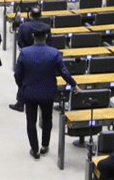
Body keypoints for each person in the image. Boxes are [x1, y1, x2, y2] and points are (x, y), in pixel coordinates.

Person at [14, 27, 81, 159]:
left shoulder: (24, 52)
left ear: (33, 36)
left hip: (29, 93)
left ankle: (35, 150)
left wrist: (22, 86)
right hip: (47, 93)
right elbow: (64, 72)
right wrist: (74, 84)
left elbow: (17, 75)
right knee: (47, 119)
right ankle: (45, 146)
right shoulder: (54, 53)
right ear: (46, 36)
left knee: (31, 121)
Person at [9, 6, 52, 113]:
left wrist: (27, 52)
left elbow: (20, 42)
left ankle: (20, 103)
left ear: (30, 15)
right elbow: (49, 43)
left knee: (22, 77)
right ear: (41, 15)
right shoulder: (47, 27)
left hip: (26, 56)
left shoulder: (23, 26)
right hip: (42, 56)